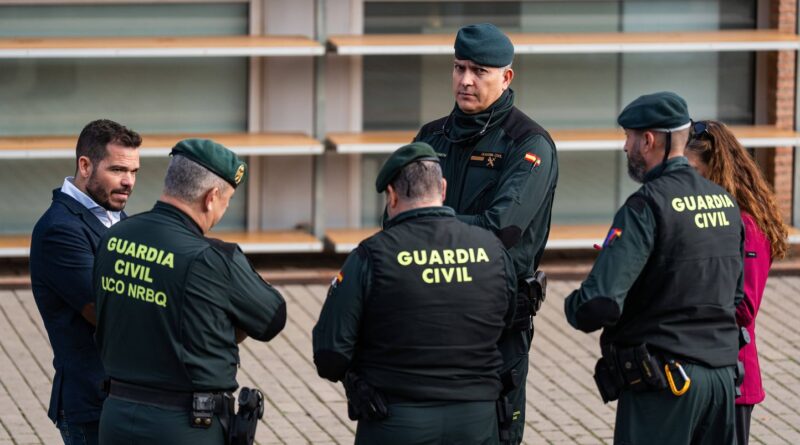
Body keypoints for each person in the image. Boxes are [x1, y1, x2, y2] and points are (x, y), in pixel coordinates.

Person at [563, 92, 744, 445]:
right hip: (722, 384)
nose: (625, 147)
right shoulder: (725, 202)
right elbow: (735, 294)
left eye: (628, 137)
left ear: (648, 141)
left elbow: (599, 301)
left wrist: (574, 306)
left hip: (667, 386)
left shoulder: (647, 205)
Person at [313, 142, 517, 444]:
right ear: (443, 188)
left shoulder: (372, 256)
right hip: (477, 420)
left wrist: (354, 378)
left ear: (392, 196)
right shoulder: (493, 250)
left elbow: (330, 352)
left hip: (396, 420)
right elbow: (508, 320)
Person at [413, 23, 559, 444]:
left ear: (506, 77)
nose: (465, 80)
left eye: (479, 71)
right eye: (459, 68)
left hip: (493, 325)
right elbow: (393, 216)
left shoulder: (528, 145)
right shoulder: (431, 137)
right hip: (428, 317)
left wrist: (424, 224)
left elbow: (500, 230)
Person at [93, 138, 286, 444]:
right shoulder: (214, 258)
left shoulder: (114, 237)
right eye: (227, 200)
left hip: (116, 418)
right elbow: (272, 318)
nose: (223, 210)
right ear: (211, 197)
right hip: (186, 426)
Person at [29, 119, 141, 445]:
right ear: (85, 165)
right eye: (118, 169)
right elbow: (105, 310)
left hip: (125, 399)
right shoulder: (59, 230)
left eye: (134, 172)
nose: (128, 182)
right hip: (92, 406)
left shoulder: (116, 217)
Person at [685, 120, 789, 445]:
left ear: (716, 170)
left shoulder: (748, 226)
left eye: (692, 171)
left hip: (733, 382)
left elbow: (744, 307)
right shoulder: (708, 216)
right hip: (701, 374)